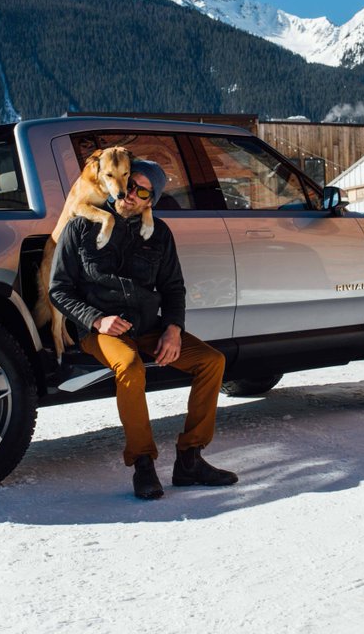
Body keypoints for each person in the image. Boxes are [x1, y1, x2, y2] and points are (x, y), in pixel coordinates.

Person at [49, 158, 239, 500]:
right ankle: (143, 463)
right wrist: (95, 319)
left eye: (140, 191)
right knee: (130, 368)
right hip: (102, 331)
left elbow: (173, 288)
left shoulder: (159, 233)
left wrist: (173, 328)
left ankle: (190, 460)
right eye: (126, 184)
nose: (128, 194)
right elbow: (58, 289)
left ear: (151, 199)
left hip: (150, 327)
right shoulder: (80, 228)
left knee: (211, 361)